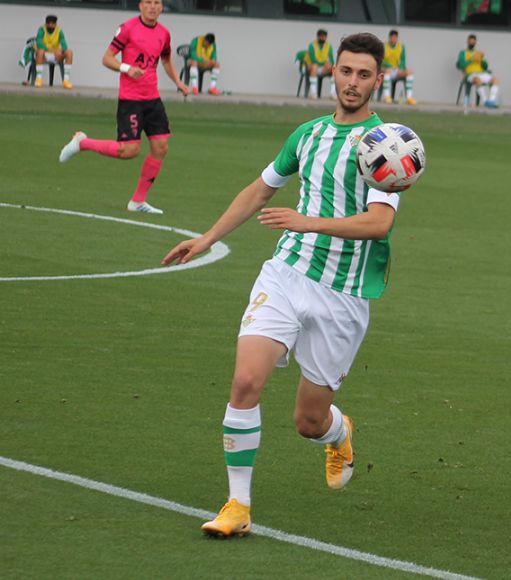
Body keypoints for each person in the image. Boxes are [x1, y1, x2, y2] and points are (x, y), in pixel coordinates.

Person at [162, 32, 402, 538]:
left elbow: (378, 223)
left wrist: (308, 220)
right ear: (331, 72)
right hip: (287, 274)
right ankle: (237, 505)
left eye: (364, 74)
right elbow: (260, 189)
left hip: (344, 294)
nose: (352, 82)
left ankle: (339, 433)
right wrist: (206, 238)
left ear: (379, 80)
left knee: (308, 421)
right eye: (345, 71)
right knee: (246, 382)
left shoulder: (388, 144)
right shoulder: (308, 134)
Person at [57, 0, 189, 215]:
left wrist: (178, 82)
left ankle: (138, 201)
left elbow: (165, 60)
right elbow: (107, 58)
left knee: (161, 147)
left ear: (161, 7)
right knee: (129, 150)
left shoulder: (164, 34)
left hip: (152, 99)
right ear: (140, 6)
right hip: (131, 100)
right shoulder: (127, 29)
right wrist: (127, 68)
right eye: (148, 2)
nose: (153, 7)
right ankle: (83, 143)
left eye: (157, 3)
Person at [457, 34, 500, 108]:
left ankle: (491, 101)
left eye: (473, 42)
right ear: (467, 42)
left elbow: (486, 67)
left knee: (495, 80)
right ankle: (485, 101)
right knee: (477, 80)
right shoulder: (463, 53)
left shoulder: (478, 53)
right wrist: (471, 60)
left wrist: (482, 59)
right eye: (470, 41)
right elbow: (460, 65)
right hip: (470, 74)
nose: (472, 43)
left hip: (481, 73)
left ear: (476, 42)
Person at [34, 15, 73, 89]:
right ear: (45, 23)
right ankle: (39, 79)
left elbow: (64, 44)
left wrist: (62, 51)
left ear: (55, 24)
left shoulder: (59, 31)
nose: (50, 25)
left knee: (69, 52)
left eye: (52, 24)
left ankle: (66, 80)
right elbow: (39, 43)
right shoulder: (41, 30)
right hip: (42, 55)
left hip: (55, 56)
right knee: (40, 51)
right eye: (48, 23)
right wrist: (54, 50)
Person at [381, 29, 416, 105]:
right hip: (385, 70)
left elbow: (403, 60)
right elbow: (380, 60)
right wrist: (388, 66)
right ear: (389, 38)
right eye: (392, 37)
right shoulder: (384, 46)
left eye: (395, 38)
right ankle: (387, 97)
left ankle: (409, 98)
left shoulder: (401, 47)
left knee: (409, 72)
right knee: (387, 72)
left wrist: (401, 68)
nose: (394, 39)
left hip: (396, 71)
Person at [303, 29, 336, 100]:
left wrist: (331, 65)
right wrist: (324, 63)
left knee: (333, 68)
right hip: (310, 67)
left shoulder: (328, 46)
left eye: (324, 36)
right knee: (314, 66)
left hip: (323, 68)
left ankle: (333, 93)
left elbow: (331, 58)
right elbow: (313, 60)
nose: (322, 38)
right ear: (317, 37)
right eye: (321, 36)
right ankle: (313, 93)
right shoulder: (312, 45)